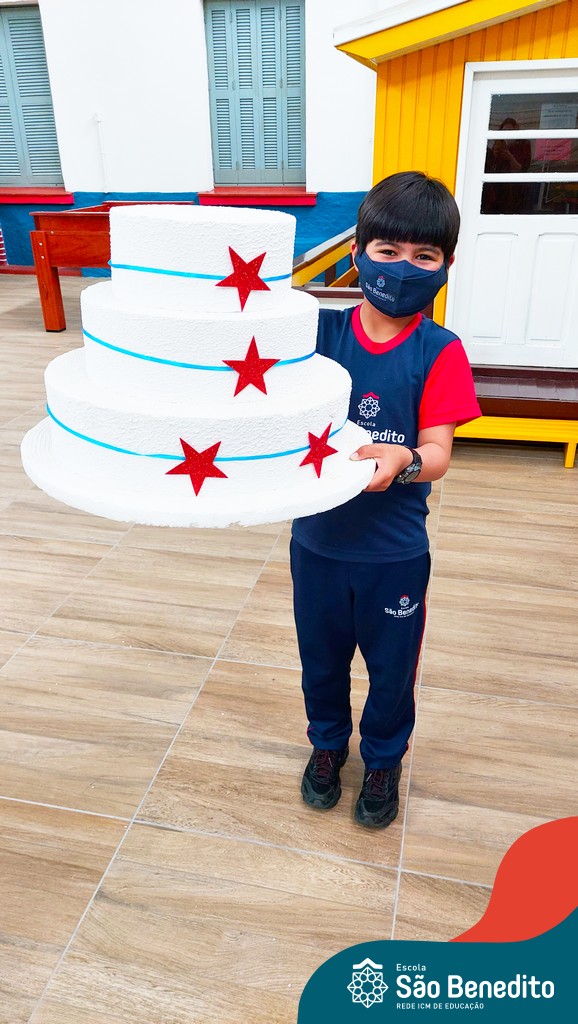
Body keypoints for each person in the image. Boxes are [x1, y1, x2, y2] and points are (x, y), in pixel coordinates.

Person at [290, 171, 482, 829]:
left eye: (424, 256)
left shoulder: (441, 351)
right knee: (321, 661)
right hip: (316, 545)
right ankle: (326, 746)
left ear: (447, 265)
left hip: (395, 554)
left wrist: (404, 462)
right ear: (357, 253)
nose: (403, 267)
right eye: (388, 251)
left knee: (392, 670)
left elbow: (438, 453)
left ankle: (382, 760)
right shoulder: (316, 335)